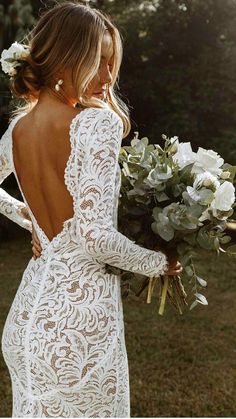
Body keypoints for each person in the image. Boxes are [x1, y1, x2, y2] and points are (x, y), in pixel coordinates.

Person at [0, 2, 182, 417]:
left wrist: (26, 216)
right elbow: (96, 238)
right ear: (63, 57)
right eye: (97, 61)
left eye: (112, 63)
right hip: (78, 333)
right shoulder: (96, 124)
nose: (108, 77)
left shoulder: (19, 129)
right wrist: (160, 263)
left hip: (27, 321)